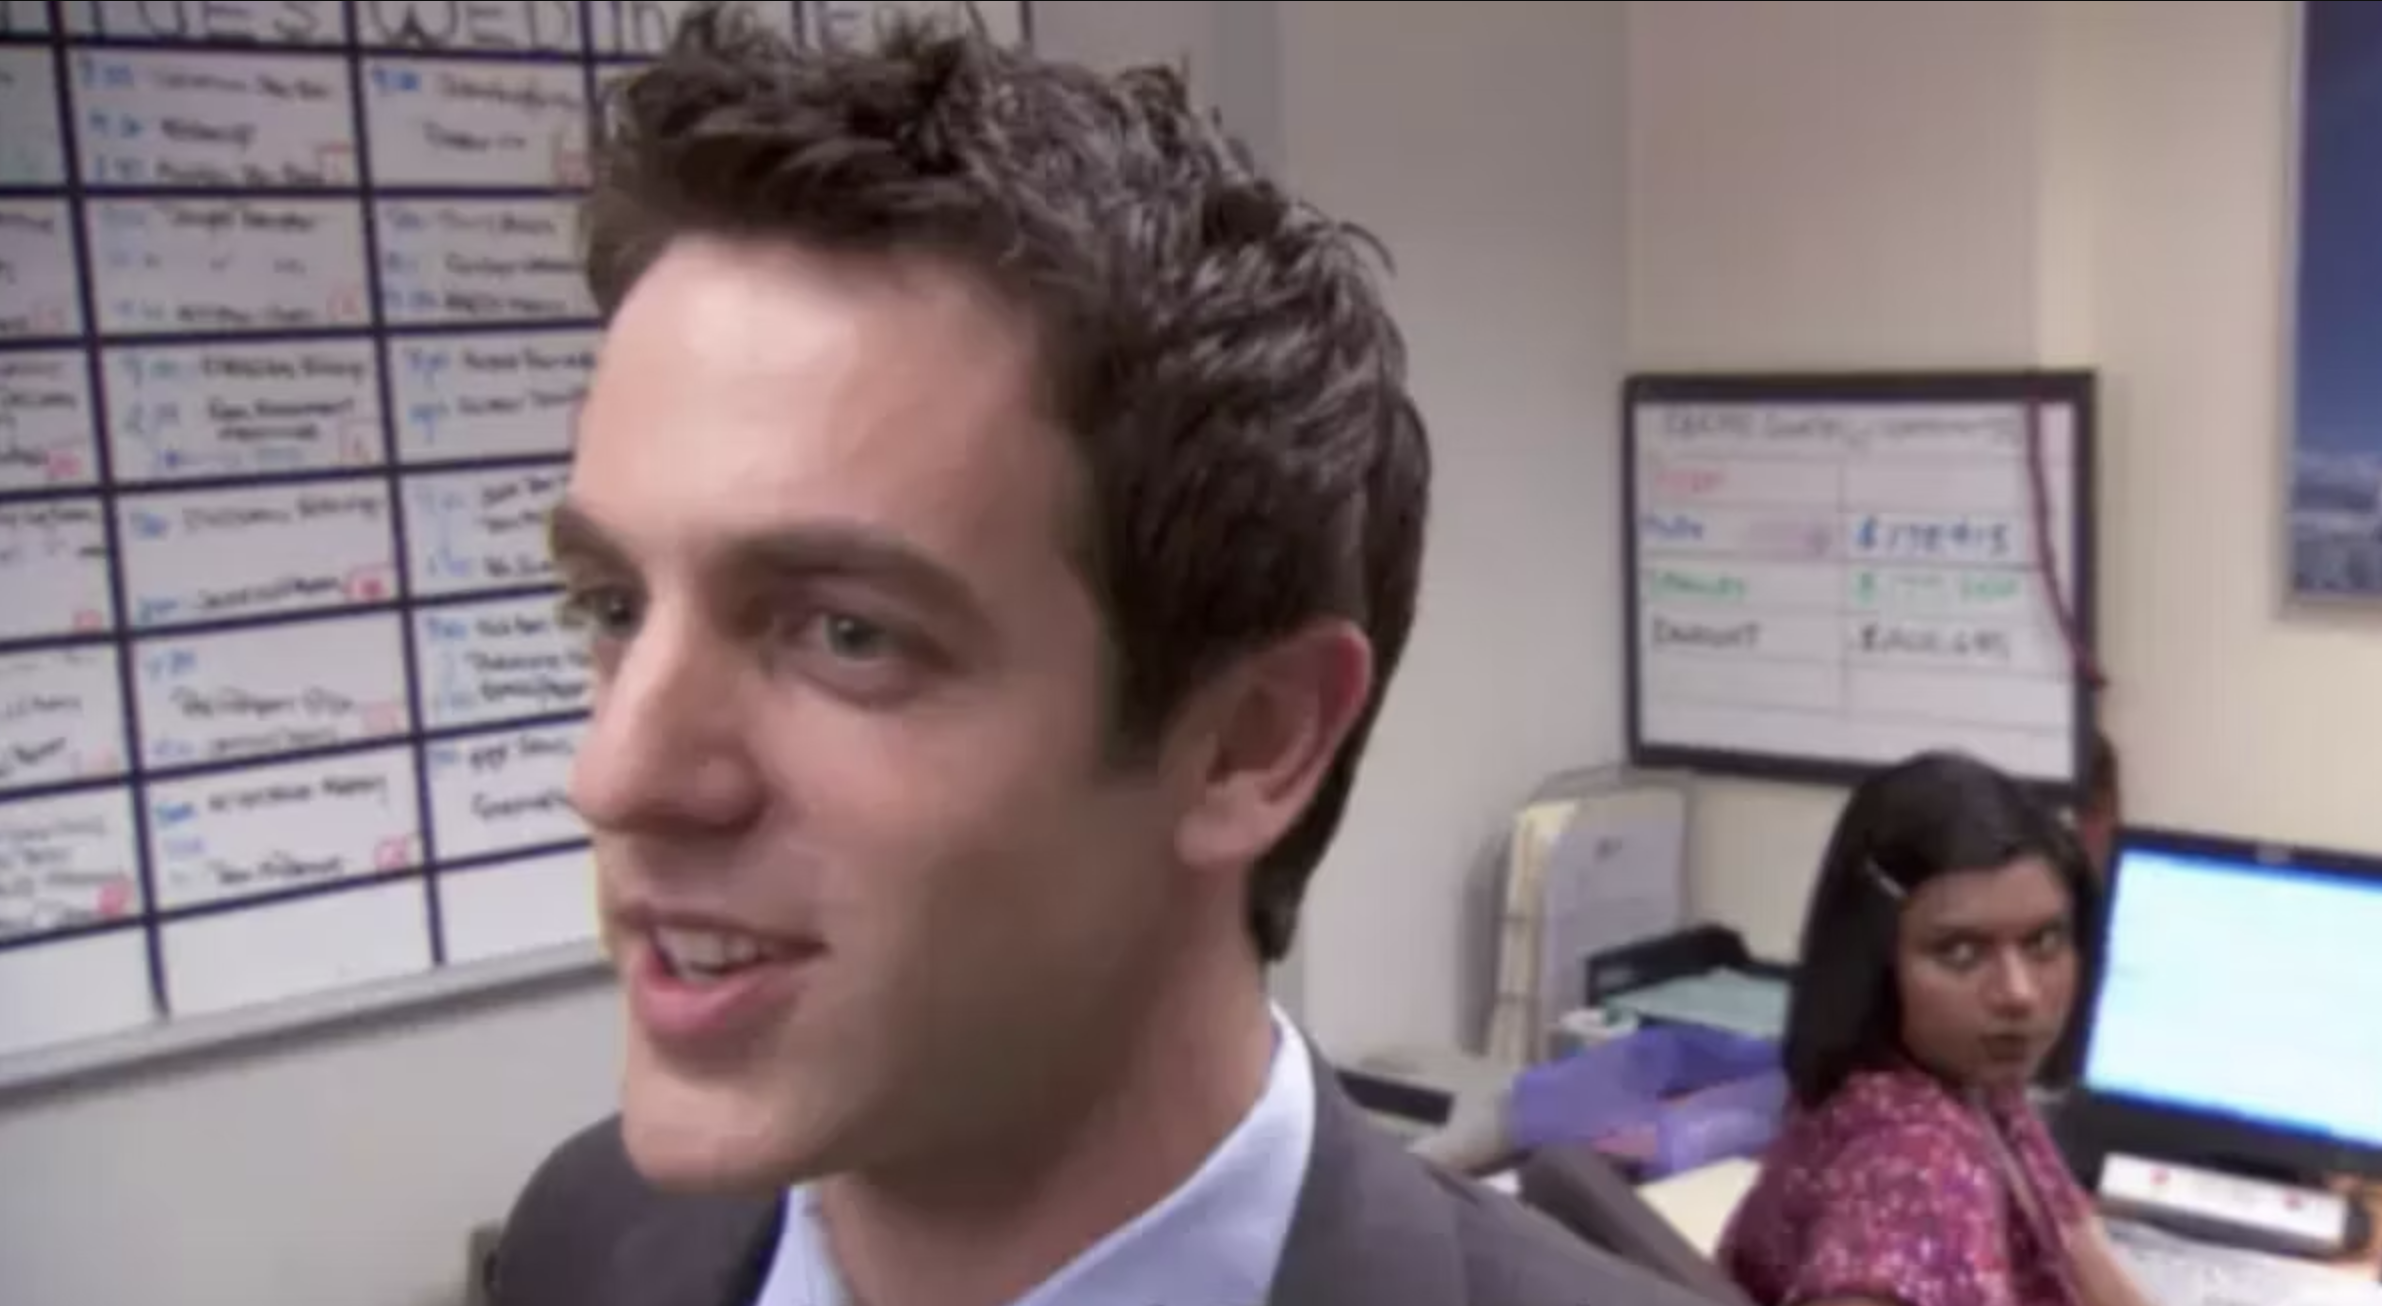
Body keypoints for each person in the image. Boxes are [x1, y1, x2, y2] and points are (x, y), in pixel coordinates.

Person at [489, 6, 1706, 1305]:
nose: (619, 774)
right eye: (613, 606)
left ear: (1250, 739)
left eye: (846, 632)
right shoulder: (588, 1238)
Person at [1715, 752, 2154, 1306]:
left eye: (2043, 943)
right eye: (1962, 952)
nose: (2019, 993)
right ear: (1875, 961)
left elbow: (2092, 1268)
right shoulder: (1912, 1164)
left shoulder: (1978, 1081)